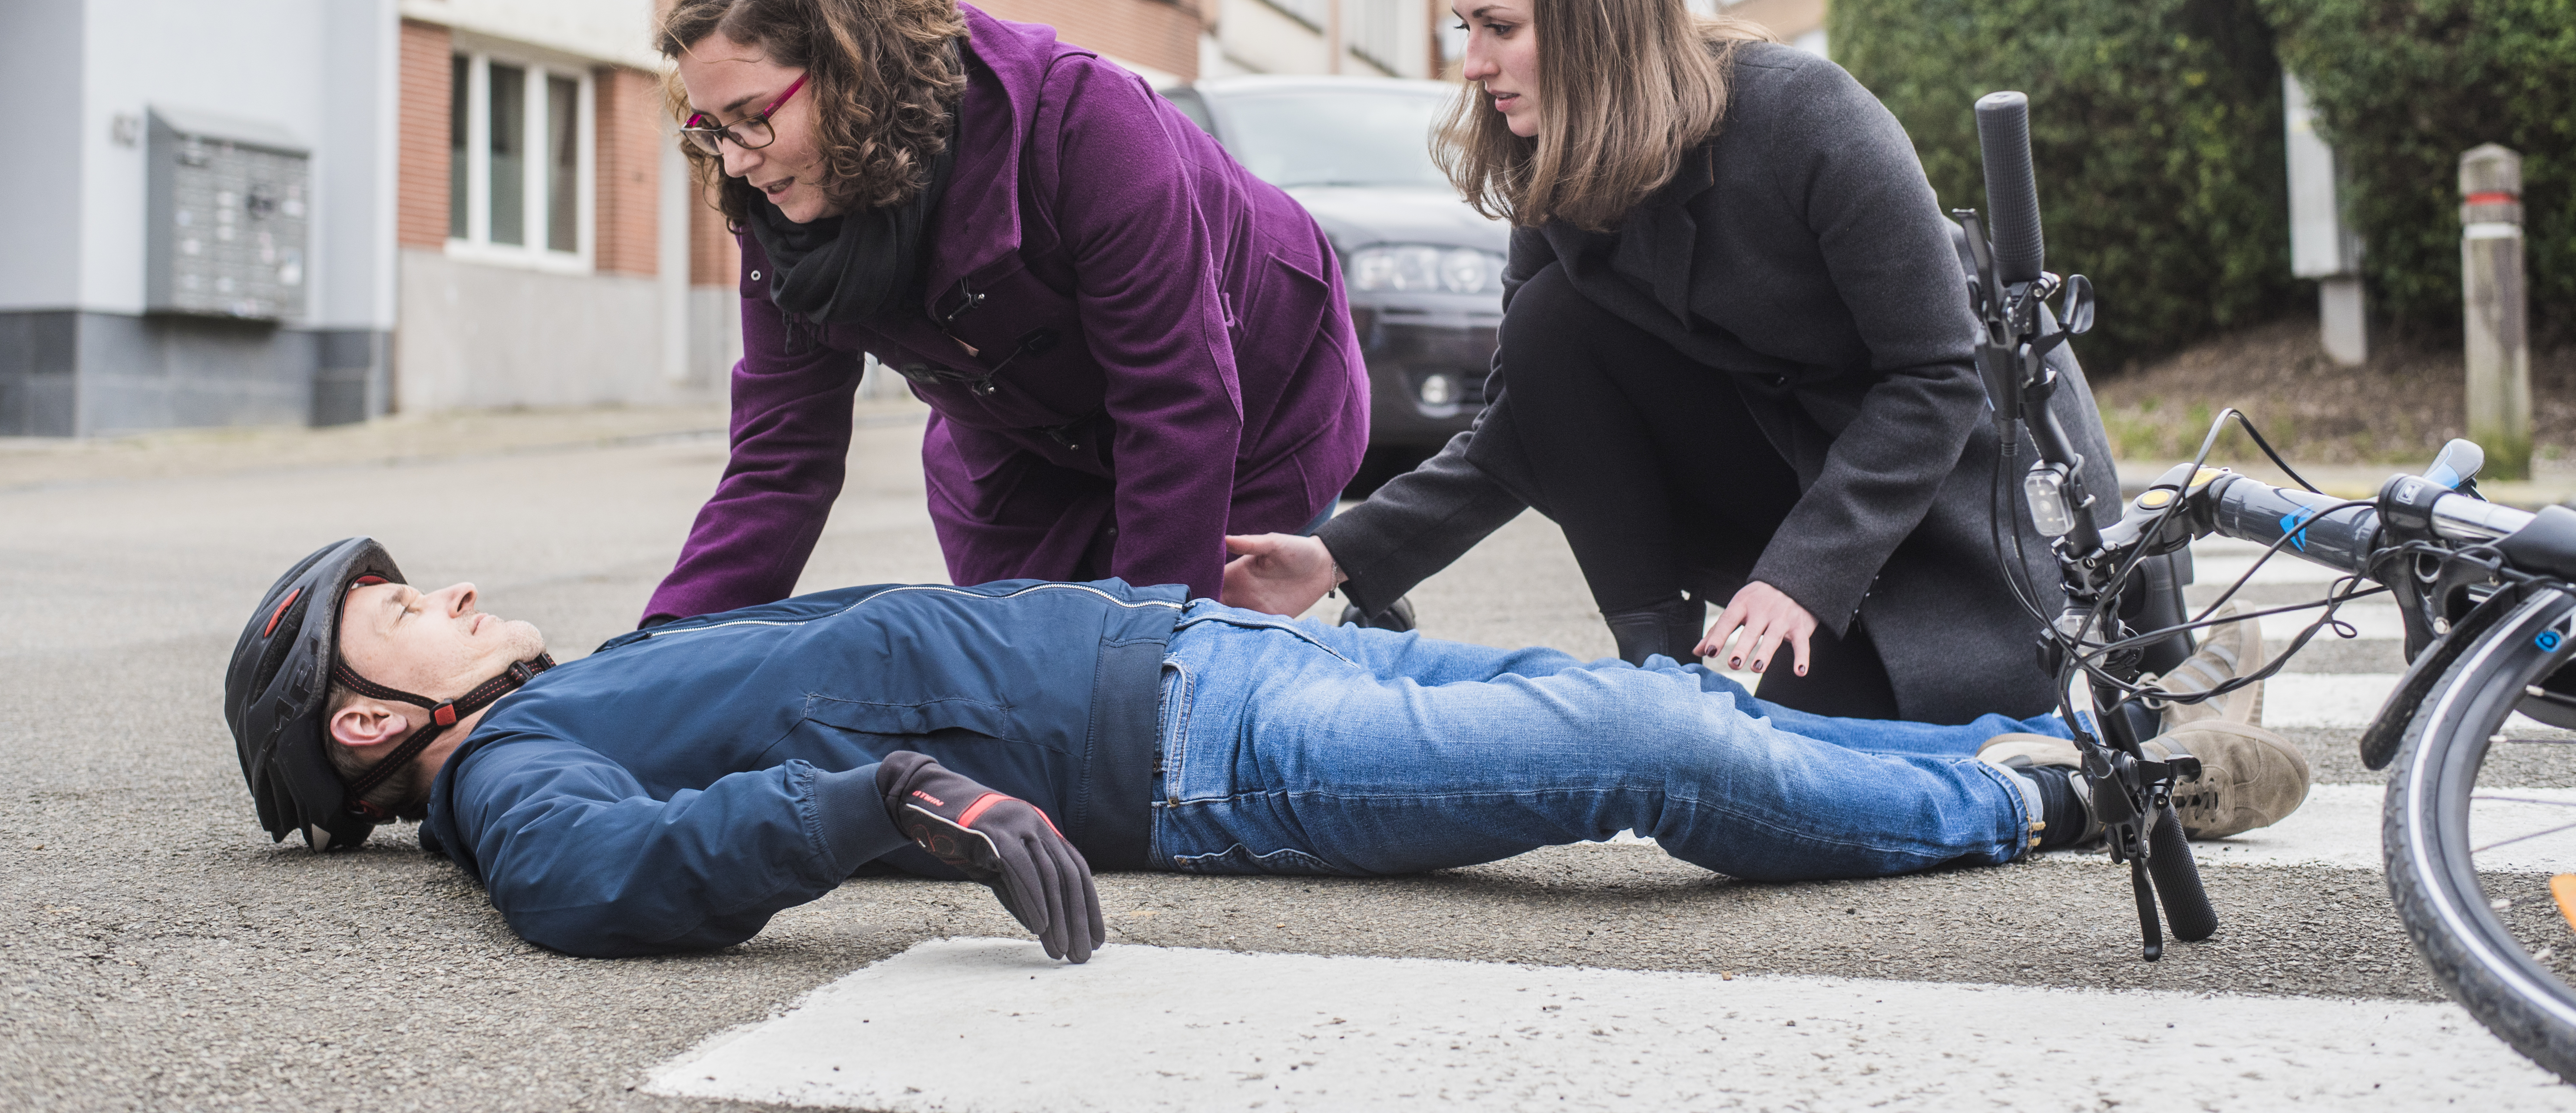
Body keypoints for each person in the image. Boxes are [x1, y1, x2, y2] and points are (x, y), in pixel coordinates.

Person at [223, 540, 2308, 962]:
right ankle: (2050, 794)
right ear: (367, 718)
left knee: (1667, 709)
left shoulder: (572, 684)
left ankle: (2043, 728)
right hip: (1197, 751)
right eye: (404, 601)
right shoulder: (504, 782)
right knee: (1635, 740)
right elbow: (601, 889)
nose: (455, 583)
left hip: (1195, 650)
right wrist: (883, 798)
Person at [1222, 0, 2123, 723]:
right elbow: (1522, 425)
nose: (1471, 63)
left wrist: (1801, 575)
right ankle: (1654, 668)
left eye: (1498, 27)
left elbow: (1936, 377)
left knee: (1856, 742)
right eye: (1464, 28)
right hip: (1781, 493)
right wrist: (1335, 557)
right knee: (1549, 325)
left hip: (1945, 526)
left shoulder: (1809, 117)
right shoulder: (1557, 171)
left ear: (1590, 20)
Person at [642, 0, 1368, 623]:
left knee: (1190, 668)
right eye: (712, 128)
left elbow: (1175, 404)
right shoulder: (781, 202)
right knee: (1031, 675)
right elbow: (779, 459)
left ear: (850, 70)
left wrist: (1152, 656)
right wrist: (649, 662)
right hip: (1018, 442)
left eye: (752, 115)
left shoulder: (1085, 124)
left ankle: (1336, 622)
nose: (736, 158)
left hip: (1245, 400)